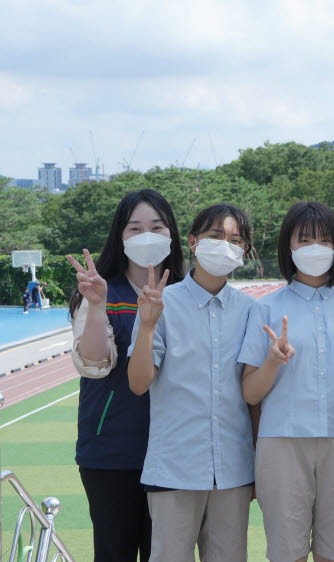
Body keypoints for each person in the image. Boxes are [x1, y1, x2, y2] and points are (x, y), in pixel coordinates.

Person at [240, 201, 334, 562]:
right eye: (304, 240)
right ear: (288, 247)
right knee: (287, 553)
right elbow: (250, 392)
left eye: (324, 240)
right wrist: (272, 360)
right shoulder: (265, 308)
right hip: (282, 443)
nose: (315, 248)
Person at [128, 203, 259, 562]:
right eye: (216, 236)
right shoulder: (160, 303)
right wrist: (149, 325)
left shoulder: (251, 310)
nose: (225, 245)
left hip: (232, 471)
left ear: (243, 251)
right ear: (193, 241)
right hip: (174, 468)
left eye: (235, 239)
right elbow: (138, 383)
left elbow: (253, 396)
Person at [66, 188, 185, 562]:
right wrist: (97, 304)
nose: (146, 235)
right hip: (112, 454)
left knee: (166, 554)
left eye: (157, 226)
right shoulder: (100, 291)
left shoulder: (187, 294)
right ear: (120, 236)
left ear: (173, 235)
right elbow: (95, 363)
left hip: (177, 454)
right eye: (135, 228)